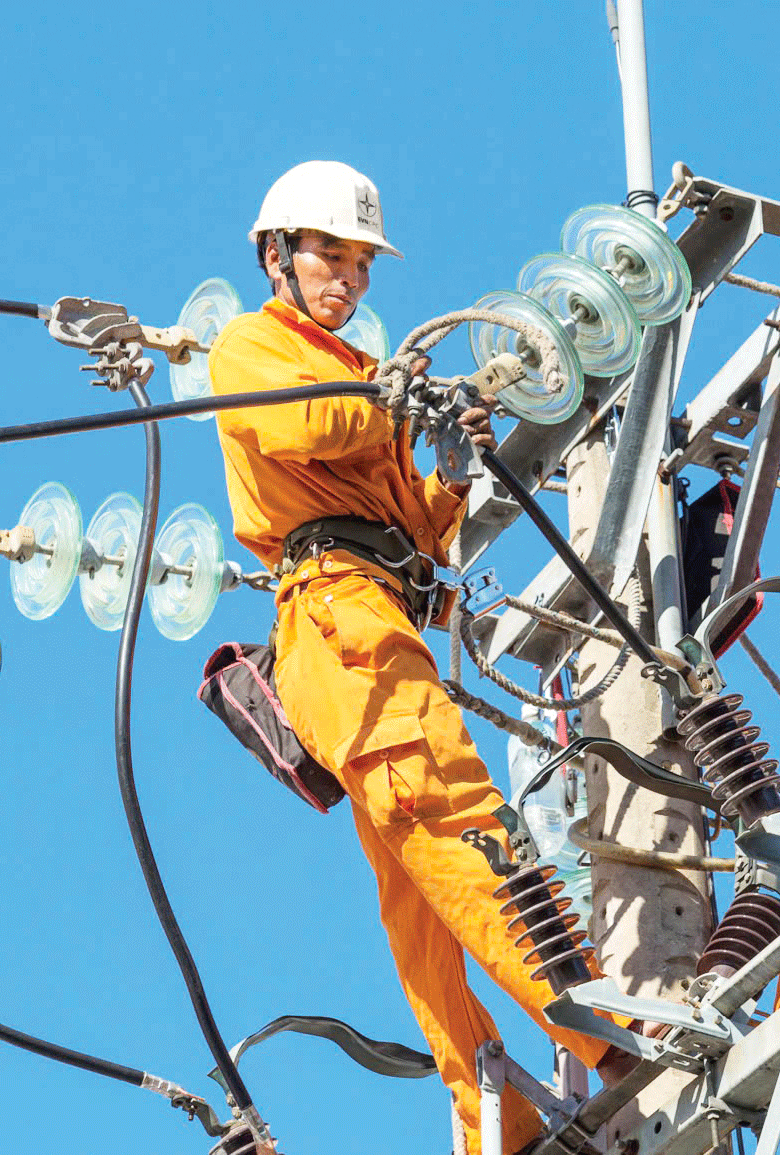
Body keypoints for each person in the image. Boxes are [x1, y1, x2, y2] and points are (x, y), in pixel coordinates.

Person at [207, 160, 613, 1155]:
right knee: (449, 818)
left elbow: (420, 531)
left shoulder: (361, 376)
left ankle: (488, 1103)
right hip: (337, 624)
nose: (346, 277)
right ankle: (609, 1028)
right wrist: (403, 400)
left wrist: (448, 462)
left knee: (418, 888)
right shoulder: (256, 346)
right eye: (327, 256)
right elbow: (304, 425)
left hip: (377, 614)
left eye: (358, 262)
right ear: (276, 256)